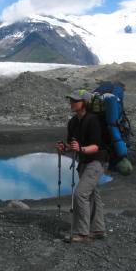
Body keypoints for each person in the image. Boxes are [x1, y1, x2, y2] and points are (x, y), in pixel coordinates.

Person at [56, 89, 107, 243]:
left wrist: (81, 149)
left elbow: (96, 146)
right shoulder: (72, 122)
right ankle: (98, 230)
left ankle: (82, 233)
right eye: (71, 100)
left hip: (97, 161)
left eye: (75, 101)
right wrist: (64, 148)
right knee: (92, 194)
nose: (71, 103)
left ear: (84, 103)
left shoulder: (93, 120)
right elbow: (73, 145)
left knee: (80, 194)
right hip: (84, 162)